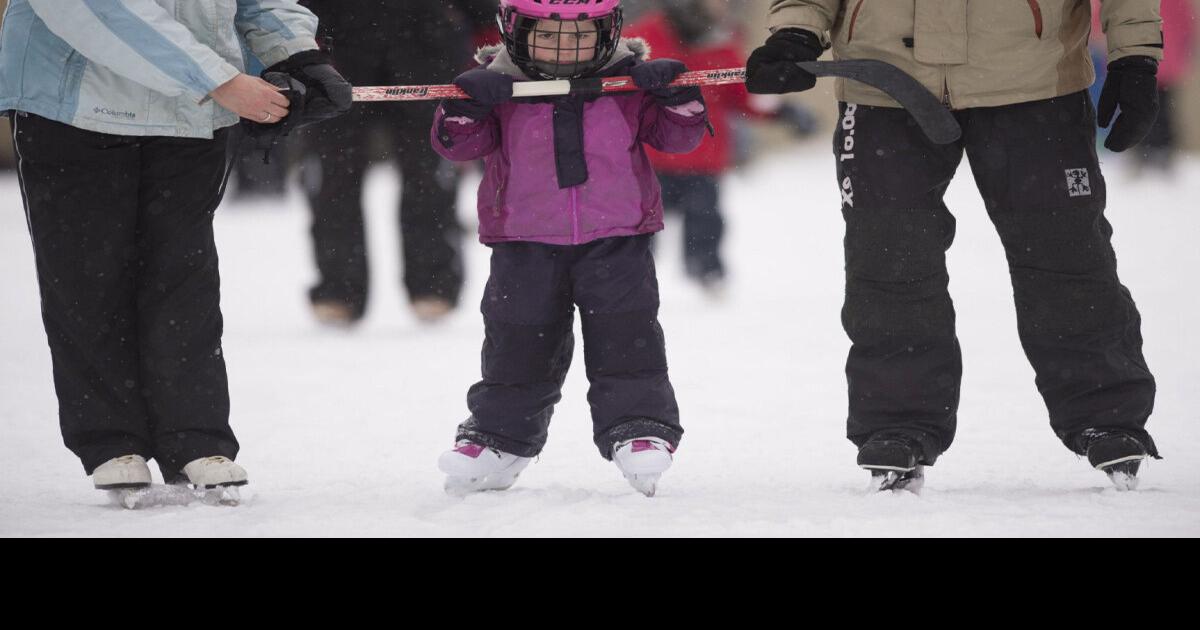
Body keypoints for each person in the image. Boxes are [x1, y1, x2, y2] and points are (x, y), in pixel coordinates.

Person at [747, 0, 1163, 491]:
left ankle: (1107, 417)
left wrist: (1135, 55)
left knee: (1065, 254)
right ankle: (898, 423)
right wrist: (797, 30)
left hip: (1033, 79)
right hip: (883, 83)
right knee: (888, 256)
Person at [0, 0, 351, 499]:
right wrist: (219, 80)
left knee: (185, 283)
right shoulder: (206, 80)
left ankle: (196, 438)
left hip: (192, 114)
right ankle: (111, 440)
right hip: (76, 107)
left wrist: (297, 54)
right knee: (87, 280)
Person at [430, 0, 708, 497]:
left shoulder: (628, 83)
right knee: (517, 341)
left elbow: (678, 140)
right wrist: (465, 108)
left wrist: (677, 99)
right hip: (524, 241)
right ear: (515, 31)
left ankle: (638, 426)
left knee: (627, 335)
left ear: (607, 33)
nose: (564, 48)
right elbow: (459, 146)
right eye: (547, 35)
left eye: (581, 36)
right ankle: (499, 437)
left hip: (616, 238)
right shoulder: (497, 85)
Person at [296, 0, 495, 326]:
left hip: (428, 41)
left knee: (430, 172)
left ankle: (433, 284)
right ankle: (338, 288)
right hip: (337, 45)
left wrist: (484, 26)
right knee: (332, 175)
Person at [625, 0, 817, 295]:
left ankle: (708, 275)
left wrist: (782, 111)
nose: (723, 6)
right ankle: (631, 280)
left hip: (702, 160)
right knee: (639, 228)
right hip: (651, 159)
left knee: (705, 222)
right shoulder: (644, 37)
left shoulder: (722, 41)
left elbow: (742, 93)